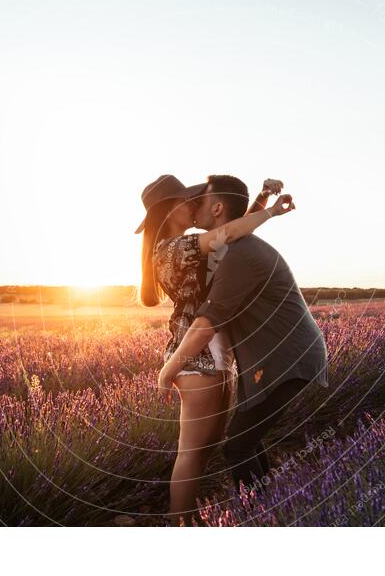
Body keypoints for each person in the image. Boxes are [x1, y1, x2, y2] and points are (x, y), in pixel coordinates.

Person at [157, 175, 328, 499]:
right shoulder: (232, 247)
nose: (194, 208)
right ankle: (271, 510)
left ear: (217, 208)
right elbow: (234, 227)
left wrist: (167, 370)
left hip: (286, 358)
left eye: (201, 202)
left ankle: (260, 516)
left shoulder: (237, 256)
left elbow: (206, 324)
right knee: (245, 439)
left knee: (238, 445)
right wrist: (263, 200)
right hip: (282, 355)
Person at [136, 174, 292, 526]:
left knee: (205, 451)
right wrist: (270, 213)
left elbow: (232, 230)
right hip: (194, 359)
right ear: (169, 211)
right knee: (191, 454)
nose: (194, 204)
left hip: (216, 356)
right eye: (186, 200)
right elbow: (229, 234)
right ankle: (181, 525)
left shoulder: (192, 243)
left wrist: (262, 198)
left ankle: (191, 520)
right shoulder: (171, 250)